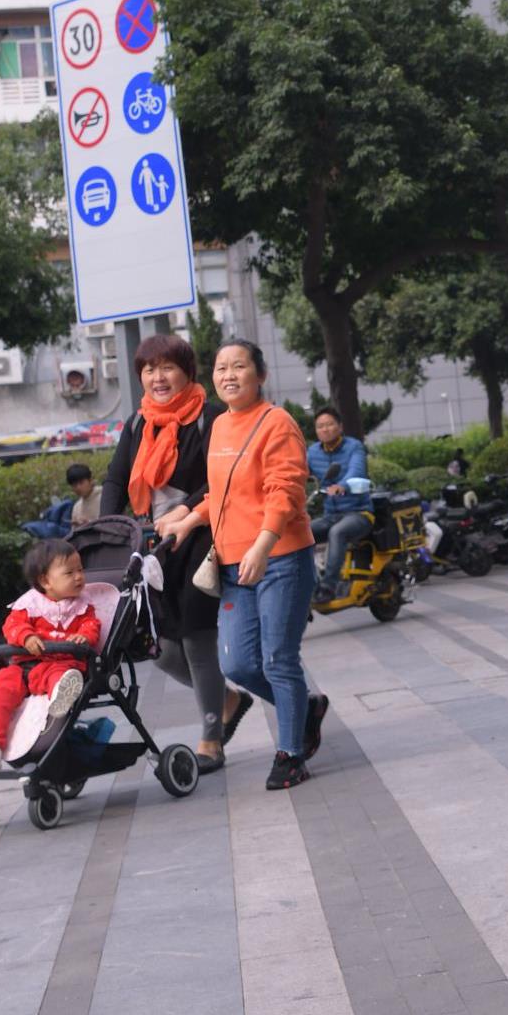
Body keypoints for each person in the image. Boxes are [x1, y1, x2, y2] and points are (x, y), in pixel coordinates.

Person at [158, 339, 327, 791]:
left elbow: (285, 491)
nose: (228, 375)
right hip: (234, 565)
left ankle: (291, 754)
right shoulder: (220, 426)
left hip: (281, 559)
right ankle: (304, 709)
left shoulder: (277, 423)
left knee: (277, 659)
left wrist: (262, 545)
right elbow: (222, 493)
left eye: (238, 366)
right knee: (237, 664)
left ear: (260, 375)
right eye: (221, 368)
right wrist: (188, 520)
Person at [101, 334, 246, 775]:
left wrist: (185, 512)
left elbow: (220, 479)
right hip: (154, 546)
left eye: (167, 368)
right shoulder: (137, 423)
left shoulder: (210, 417)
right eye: (149, 369)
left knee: (197, 637)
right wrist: (107, 528)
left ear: (187, 372)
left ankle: (211, 740)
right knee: (160, 648)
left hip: (201, 536)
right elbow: (115, 479)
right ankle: (227, 699)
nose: (158, 377)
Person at [0, 539, 101, 770]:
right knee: (3, 687)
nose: (79, 577)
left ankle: (62, 695)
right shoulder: (29, 604)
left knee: (62, 675)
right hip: (26, 666)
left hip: (60, 662)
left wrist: (84, 636)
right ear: (45, 581)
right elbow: (12, 626)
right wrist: (27, 637)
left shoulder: (83, 606)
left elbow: (92, 625)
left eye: (80, 570)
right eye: (69, 573)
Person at [308, 406, 373, 600]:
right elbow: (297, 472)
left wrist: (343, 486)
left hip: (359, 513)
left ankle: (329, 587)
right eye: (320, 426)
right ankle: (309, 584)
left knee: (337, 532)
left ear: (340, 426)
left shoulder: (354, 447)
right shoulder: (312, 452)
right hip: (331, 515)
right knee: (301, 534)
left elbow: (356, 470)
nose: (325, 429)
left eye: (329, 424)